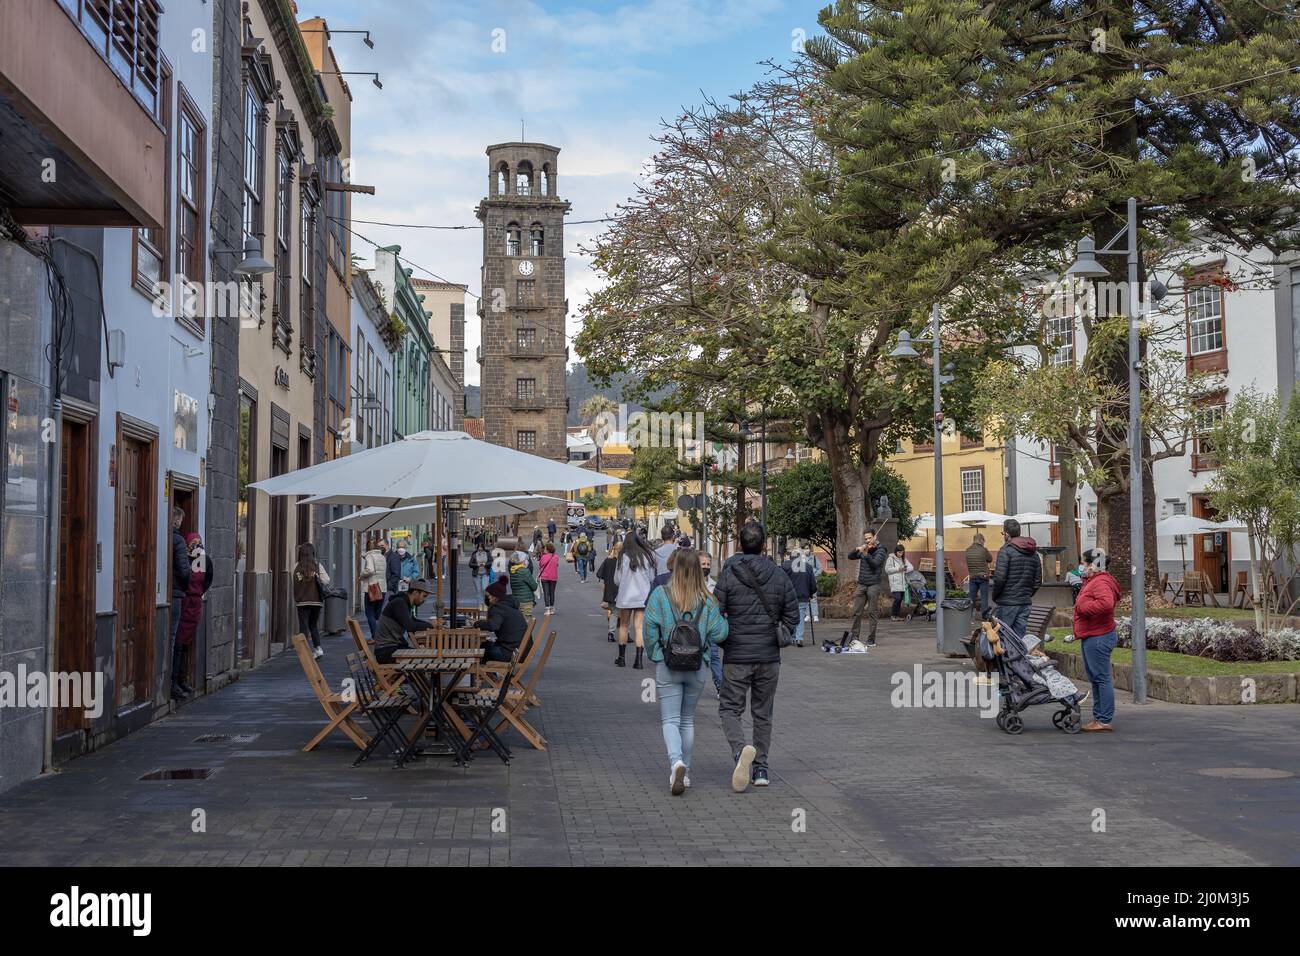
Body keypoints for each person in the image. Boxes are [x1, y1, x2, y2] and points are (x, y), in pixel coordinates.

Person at [713, 521, 799, 791]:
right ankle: (761, 768)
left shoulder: (727, 575)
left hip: (736, 654)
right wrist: (778, 632)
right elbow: (793, 615)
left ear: (739, 544)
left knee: (729, 709)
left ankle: (741, 752)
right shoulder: (779, 574)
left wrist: (727, 637)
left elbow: (715, 615)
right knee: (763, 712)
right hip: (768, 657)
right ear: (764, 545)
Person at [643, 548, 729, 795]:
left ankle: (675, 762)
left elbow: (649, 628)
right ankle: (686, 771)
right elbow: (721, 633)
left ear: (675, 568)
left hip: (668, 665)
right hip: (697, 666)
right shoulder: (708, 599)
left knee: (670, 719)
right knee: (687, 720)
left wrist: (656, 654)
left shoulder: (661, 594)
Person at [1074, 548, 1120, 732]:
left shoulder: (1100, 582)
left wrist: (1084, 607)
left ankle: (1103, 719)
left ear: (1093, 565)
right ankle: (1099, 717)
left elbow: (1106, 603)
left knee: (1101, 678)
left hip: (1099, 636)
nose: (1082, 567)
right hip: (1094, 634)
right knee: (1097, 678)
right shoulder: (1095, 580)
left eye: (1084, 564)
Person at [171, 532, 212, 700]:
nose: (195, 545)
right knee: (181, 643)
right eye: (193, 542)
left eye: (197, 542)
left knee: (184, 643)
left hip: (191, 603)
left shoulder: (199, 559)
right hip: (188, 602)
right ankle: (176, 681)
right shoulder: (196, 559)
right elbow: (204, 580)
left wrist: (195, 594)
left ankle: (179, 680)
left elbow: (204, 580)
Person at [614, 528, 658, 669]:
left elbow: (617, 579)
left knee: (624, 626)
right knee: (639, 628)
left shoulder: (622, 557)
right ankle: (638, 661)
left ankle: (621, 658)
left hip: (625, 597)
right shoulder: (647, 556)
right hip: (642, 597)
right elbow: (652, 578)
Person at [991, 518, 1042, 639]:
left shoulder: (1006, 551)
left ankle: (1006, 658)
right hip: (1024, 602)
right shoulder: (1033, 553)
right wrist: (1027, 594)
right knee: (1018, 639)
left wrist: (995, 596)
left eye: (1003, 533)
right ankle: (1017, 658)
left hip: (1007, 602)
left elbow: (999, 579)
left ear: (1007, 534)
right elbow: (1038, 581)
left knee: (1003, 638)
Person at [372, 578, 433, 664]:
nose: (425, 600)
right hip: (386, 652)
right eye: (424, 596)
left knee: (424, 657)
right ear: (415, 592)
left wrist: (430, 624)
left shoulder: (404, 602)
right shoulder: (400, 603)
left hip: (392, 648)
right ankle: (417, 677)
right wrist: (431, 626)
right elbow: (410, 626)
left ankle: (414, 677)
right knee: (422, 659)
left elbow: (412, 620)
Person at [846, 529, 887, 648]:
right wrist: (857, 549)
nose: (868, 540)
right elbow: (850, 556)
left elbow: (875, 564)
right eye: (866, 538)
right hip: (862, 584)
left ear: (875, 537)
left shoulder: (881, 550)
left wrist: (866, 554)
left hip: (874, 584)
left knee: (872, 613)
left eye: (870, 538)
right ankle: (854, 637)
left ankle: (871, 639)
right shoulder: (865, 548)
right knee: (856, 612)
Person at [292, 543, 331, 660]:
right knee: (313, 625)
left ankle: (304, 651)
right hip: (316, 601)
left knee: (303, 626)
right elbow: (327, 581)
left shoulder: (296, 566)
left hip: (302, 601)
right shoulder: (318, 566)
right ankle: (318, 648)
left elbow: (294, 582)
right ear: (312, 553)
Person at [478, 576, 528, 662]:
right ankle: (488, 675)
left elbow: (493, 626)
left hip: (509, 653)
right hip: (520, 652)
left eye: (488, 596)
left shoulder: (498, 608)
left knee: (481, 649)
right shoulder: (508, 606)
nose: (487, 599)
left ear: (493, 597)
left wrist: (477, 623)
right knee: (485, 645)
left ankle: (485, 674)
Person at [168, 507, 191, 687]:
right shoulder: (179, 541)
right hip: (176, 594)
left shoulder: (162, 537)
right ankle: (172, 682)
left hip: (165, 593)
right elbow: (184, 571)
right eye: (180, 520)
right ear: (176, 520)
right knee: (174, 637)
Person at [781, 550, 817, 646]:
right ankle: (799, 638)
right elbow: (813, 584)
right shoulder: (808, 567)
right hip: (803, 596)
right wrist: (811, 593)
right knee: (800, 616)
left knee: (789, 616)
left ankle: (792, 637)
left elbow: (781, 581)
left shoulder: (785, 566)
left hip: (789, 596)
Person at [359, 536, 388, 638]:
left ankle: (375, 636)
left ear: (367, 548)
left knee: (369, 613)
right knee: (377, 614)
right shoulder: (382, 556)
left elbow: (370, 570)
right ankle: (382, 633)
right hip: (382, 588)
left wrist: (361, 575)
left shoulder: (369, 556)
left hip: (372, 588)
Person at [965, 532, 993, 619]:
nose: (984, 542)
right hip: (983, 577)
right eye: (983, 540)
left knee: (971, 598)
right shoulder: (983, 550)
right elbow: (990, 559)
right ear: (980, 540)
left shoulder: (967, 550)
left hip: (973, 577)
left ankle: (967, 616)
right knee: (984, 597)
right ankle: (984, 616)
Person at [596, 542, 621, 641]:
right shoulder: (623, 562)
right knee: (624, 613)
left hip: (610, 590)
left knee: (614, 612)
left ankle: (611, 633)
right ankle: (626, 634)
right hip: (621, 590)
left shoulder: (608, 560)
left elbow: (599, 574)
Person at [884, 545, 913, 621]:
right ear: (896, 551)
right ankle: (893, 615)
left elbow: (911, 567)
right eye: (899, 552)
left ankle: (896, 615)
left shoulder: (904, 559)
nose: (901, 554)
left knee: (900, 600)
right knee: (897, 598)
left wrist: (905, 569)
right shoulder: (891, 558)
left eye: (902, 553)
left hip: (902, 582)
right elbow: (887, 570)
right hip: (895, 582)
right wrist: (898, 569)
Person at [509, 550, 540, 618]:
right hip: (526, 601)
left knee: (519, 621)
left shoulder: (513, 570)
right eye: (525, 559)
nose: (527, 561)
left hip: (516, 600)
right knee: (527, 622)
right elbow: (534, 586)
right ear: (521, 561)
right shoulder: (524, 571)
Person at [468, 540, 491, 607]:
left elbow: (491, 562)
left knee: (484, 588)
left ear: (483, 548)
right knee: (478, 590)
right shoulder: (474, 554)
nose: (480, 548)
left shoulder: (487, 553)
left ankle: (485, 603)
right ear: (477, 548)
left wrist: (485, 564)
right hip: (476, 574)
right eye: (479, 547)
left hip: (485, 573)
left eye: (481, 547)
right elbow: (470, 564)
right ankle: (480, 605)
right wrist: (477, 565)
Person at [539, 541, 559, 615]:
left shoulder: (543, 557)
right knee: (552, 592)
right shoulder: (556, 556)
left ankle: (547, 609)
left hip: (545, 576)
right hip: (553, 576)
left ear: (547, 549)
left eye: (545, 548)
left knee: (546, 593)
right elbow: (556, 565)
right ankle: (552, 608)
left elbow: (540, 565)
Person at [384, 537, 403, 602]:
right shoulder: (382, 556)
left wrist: (389, 586)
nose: (380, 548)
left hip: (390, 589)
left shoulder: (393, 556)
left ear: (387, 545)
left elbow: (396, 574)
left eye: (382, 546)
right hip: (382, 588)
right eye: (378, 546)